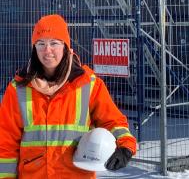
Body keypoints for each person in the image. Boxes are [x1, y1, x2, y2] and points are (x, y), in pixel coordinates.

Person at [0, 14, 136, 179]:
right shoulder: (18, 88)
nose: (47, 50)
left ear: (65, 46)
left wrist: (126, 147)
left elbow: (113, 121)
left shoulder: (88, 84)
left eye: (54, 43)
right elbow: (5, 141)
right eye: (41, 43)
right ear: (34, 48)